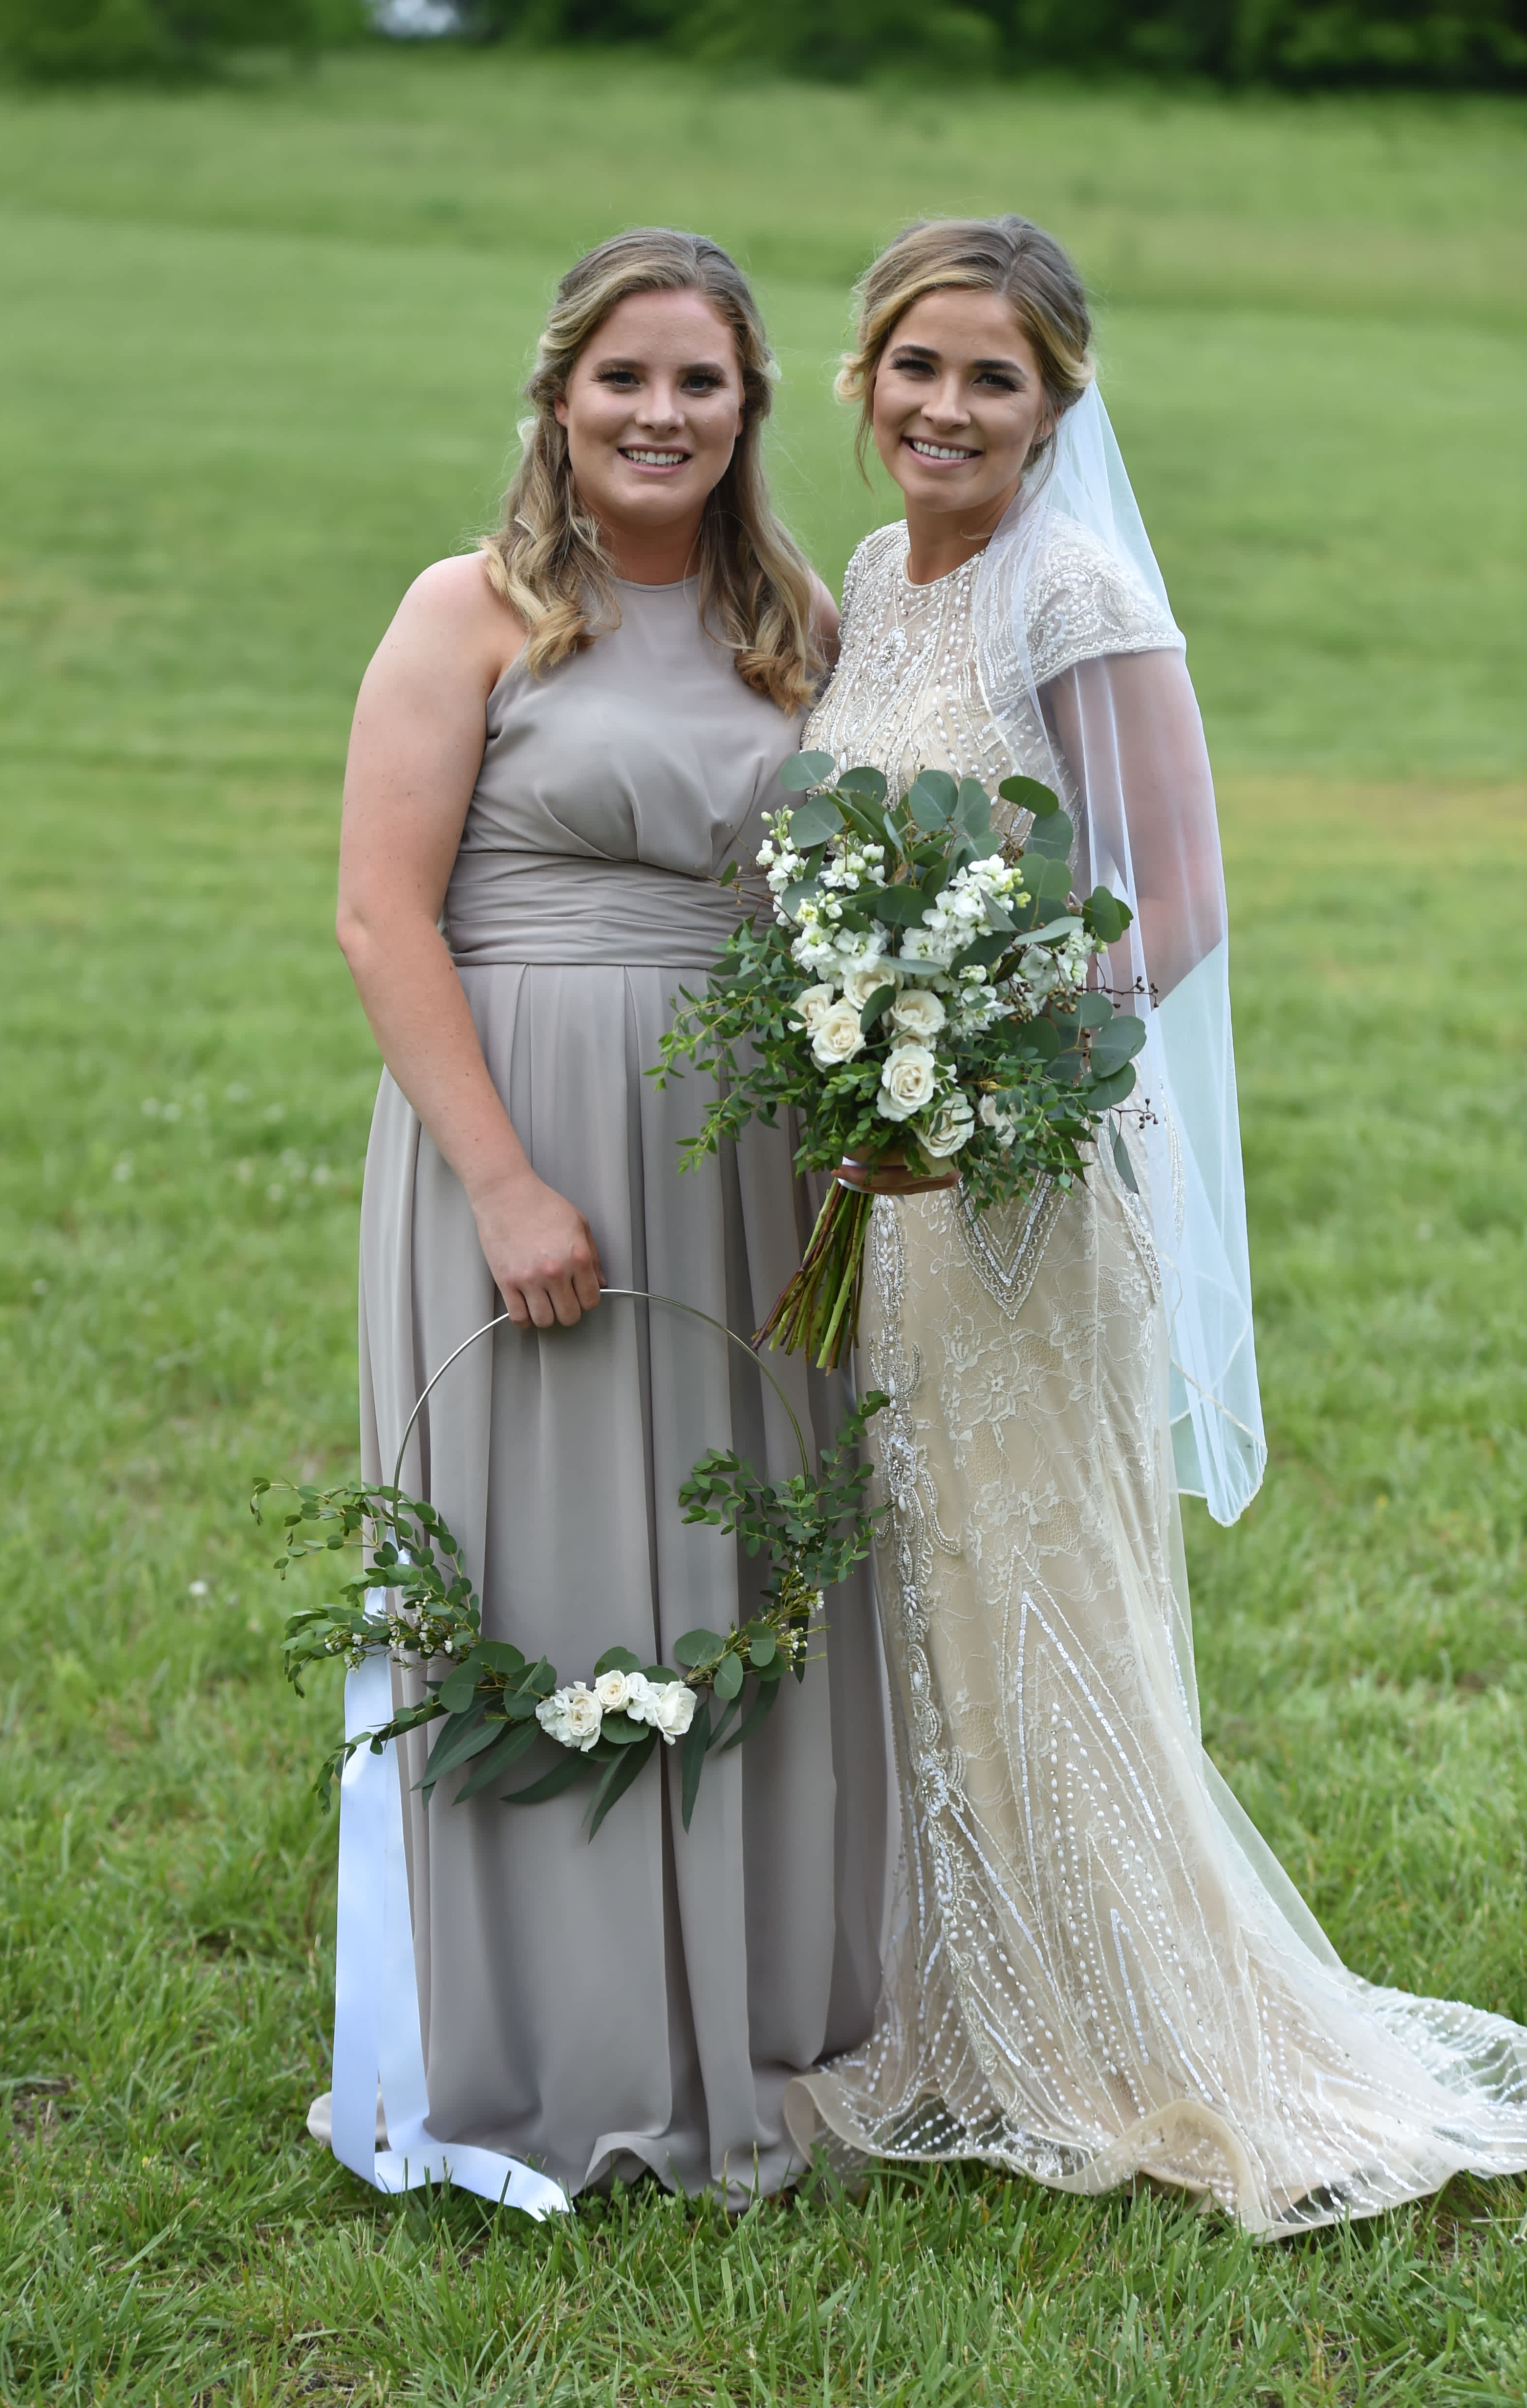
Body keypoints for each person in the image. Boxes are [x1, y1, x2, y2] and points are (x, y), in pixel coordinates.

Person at [785, 215, 1527, 2235]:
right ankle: (961, 2002)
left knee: (1038, 1576)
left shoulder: (1075, 590)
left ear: (1056, 405)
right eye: (917, 364)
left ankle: (1145, 2031)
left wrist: (966, 1086)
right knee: (922, 1561)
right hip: (893, 1175)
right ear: (863, 376)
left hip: (1021, 1174)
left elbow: (1173, 903)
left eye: (995, 378)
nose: (948, 407)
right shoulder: (878, 578)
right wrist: (872, 1085)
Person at [318, 229, 888, 2203]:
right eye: (622, 378)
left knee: (742, 1558)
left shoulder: (797, 623)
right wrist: (500, 1182)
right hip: (523, 1138)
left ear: (747, 409)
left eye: (698, 382)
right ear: (558, 398)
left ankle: (746, 2019)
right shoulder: (469, 610)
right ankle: (543, 2049)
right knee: (548, 1560)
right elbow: (381, 915)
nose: (659, 414)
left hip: (753, 1162)